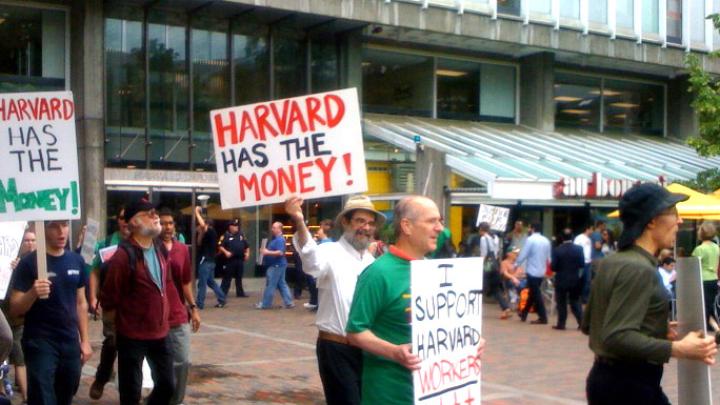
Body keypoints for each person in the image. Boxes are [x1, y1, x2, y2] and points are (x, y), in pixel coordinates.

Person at [582, 183, 717, 404]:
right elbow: (616, 336)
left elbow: (592, 325)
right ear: (652, 220)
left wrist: (655, 328)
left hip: (614, 381)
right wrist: (678, 348)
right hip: (629, 387)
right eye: (674, 213)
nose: (679, 221)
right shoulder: (639, 268)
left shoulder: (612, 262)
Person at [346, 196, 486, 404]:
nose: (439, 228)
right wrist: (394, 352)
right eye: (431, 221)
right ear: (407, 226)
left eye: (440, 221)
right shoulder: (378, 274)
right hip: (391, 394)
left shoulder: (434, 271)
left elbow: (447, 326)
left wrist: (468, 342)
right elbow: (355, 332)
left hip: (435, 392)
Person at [286, 195, 385, 405]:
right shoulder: (329, 251)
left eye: (370, 223)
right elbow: (310, 258)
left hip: (367, 350)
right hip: (337, 348)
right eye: (360, 221)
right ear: (346, 222)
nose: (366, 228)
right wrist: (300, 221)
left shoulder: (371, 262)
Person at [101, 198, 175, 405]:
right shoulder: (123, 257)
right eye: (147, 213)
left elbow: (166, 286)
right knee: (131, 393)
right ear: (133, 223)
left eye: (154, 212)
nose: (155, 216)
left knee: (168, 385)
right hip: (132, 336)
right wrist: (115, 330)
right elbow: (109, 298)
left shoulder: (160, 248)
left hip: (160, 333)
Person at [9, 220, 91, 405]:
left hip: (69, 340)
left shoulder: (76, 260)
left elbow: (81, 302)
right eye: (54, 226)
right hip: (40, 340)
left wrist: (85, 340)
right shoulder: (29, 263)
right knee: (42, 396)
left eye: (64, 225)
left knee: (66, 392)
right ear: (42, 229)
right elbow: (15, 308)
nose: (61, 232)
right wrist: (32, 293)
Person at [158, 208, 201, 405]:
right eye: (163, 223)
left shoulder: (182, 249)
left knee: (183, 361)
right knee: (158, 365)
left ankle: (176, 401)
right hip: (154, 317)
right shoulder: (149, 247)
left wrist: (193, 308)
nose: (167, 227)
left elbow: (185, 282)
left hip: (177, 314)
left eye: (170, 223)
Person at [89, 207, 130, 400]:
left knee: (133, 347)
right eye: (122, 217)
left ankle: (130, 391)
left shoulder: (143, 242)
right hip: (111, 303)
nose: (125, 221)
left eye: (128, 217)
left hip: (135, 305)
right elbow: (95, 271)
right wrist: (92, 297)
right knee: (112, 342)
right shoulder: (105, 244)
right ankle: (102, 377)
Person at [2, 229, 36, 403]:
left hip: (30, 319)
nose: (30, 244)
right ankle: (26, 395)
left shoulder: (38, 263)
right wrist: (11, 269)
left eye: (33, 240)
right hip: (11, 317)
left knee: (23, 356)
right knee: (16, 354)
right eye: (27, 240)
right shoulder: (12, 262)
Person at [515, 223, 551, 324]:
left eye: (530, 228)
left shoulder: (530, 240)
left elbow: (523, 254)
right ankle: (524, 313)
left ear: (533, 229)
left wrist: (516, 264)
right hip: (541, 271)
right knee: (532, 293)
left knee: (536, 294)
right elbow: (549, 258)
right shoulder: (546, 241)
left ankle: (543, 317)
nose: (529, 229)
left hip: (532, 271)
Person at [551, 228, 585, 330]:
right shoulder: (579, 249)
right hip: (575, 279)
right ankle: (582, 322)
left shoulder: (557, 250)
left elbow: (553, 267)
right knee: (575, 301)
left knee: (561, 302)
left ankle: (561, 323)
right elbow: (582, 264)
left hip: (561, 279)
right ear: (572, 237)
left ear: (561, 237)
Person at [194, 206, 226, 309]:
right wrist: (200, 233)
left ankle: (200, 303)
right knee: (210, 281)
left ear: (208, 225)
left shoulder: (211, 231)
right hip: (210, 261)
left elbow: (203, 225)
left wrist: (197, 213)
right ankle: (222, 298)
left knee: (202, 283)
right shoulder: (207, 234)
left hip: (206, 261)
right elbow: (199, 243)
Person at [477, 222, 511, 319]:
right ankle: (505, 307)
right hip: (495, 265)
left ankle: (475, 309)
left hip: (487, 267)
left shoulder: (483, 238)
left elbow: (484, 254)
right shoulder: (495, 238)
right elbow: (496, 253)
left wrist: (480, 264)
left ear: (481, 229)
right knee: (495, 289)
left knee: (481, 287)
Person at [257, 222, 294, 309]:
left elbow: (280, 252)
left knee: (270, 284)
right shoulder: (277, 239)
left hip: (276, 265)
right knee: (281, 283)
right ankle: (289, 302)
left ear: (279, 229)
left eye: (274, 227)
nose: (272, 229)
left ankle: (265, 304)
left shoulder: (279, 240)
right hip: (278, 264)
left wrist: (267, 252)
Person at [691, 222, 719, 327]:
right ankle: (715, 328)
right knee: (711, 305)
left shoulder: (699, 249)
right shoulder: (716, 247)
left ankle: (710, 329)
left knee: (702, 306)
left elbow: (693, 267)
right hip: (714, 279)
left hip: (702, 279)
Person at [219, 218, 250, 298]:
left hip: (240, 259)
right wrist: (226, 252)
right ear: (230, 227)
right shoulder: (226, 235)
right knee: (227, 278)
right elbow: (220, 246)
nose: (237, 227)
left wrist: (247, 253)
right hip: (230, 260)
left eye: (237, 226)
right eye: (235, 226)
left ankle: (240, 293)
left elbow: (247, 245)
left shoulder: (241, 234)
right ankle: (222, 293)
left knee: (239, 277)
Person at [574, 224, 594, 303]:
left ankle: (584, 298)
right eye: (591, 229)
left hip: (588, 262)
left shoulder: (589, 239)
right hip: (581, 262)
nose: (592, 231)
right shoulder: (579, 238)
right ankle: (576, 297)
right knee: (578, 280)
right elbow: (575, 249)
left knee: (587, 281)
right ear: (587, 229)